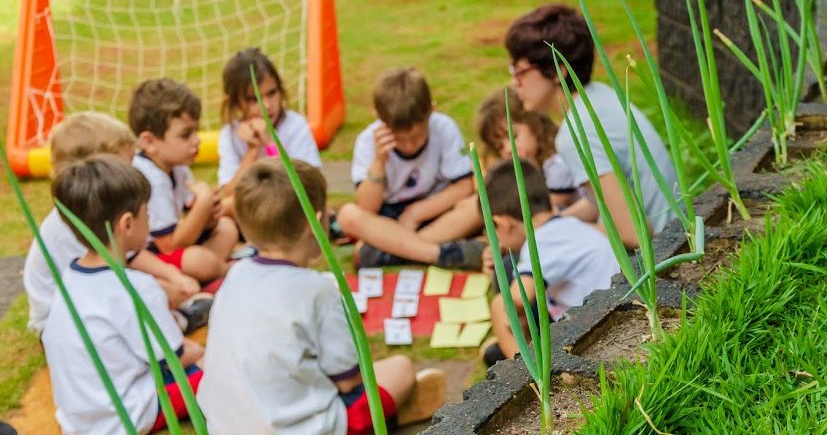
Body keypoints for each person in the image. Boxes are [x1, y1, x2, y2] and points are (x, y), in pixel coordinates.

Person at [198, 158, 447, 435]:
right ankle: (389, 413)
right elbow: (348, 381)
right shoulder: (318, 289)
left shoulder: (234, 276)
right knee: (399, 369)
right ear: (315, 223)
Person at [43, 156, 204, 435]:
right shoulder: (136, 287)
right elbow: (175, 360)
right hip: (124, 417)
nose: (150, 220)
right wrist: (200, 350)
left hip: (77, 418)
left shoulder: (69, 277)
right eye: (147, 213)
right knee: (213, 369)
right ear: (127, 223)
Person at [22, 112, 210, 336]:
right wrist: (163, 292)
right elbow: (104, 287)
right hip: (62, 325)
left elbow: (130, 255)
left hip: (95, 300)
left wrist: (172, 275)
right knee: (152, 297)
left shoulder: (98, 208)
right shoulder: (68, 227)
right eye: (126, 167)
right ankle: (179, 323)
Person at [504, 3, 679, 243]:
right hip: (677, 232)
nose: (515, 83)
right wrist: (557, 223)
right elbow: (608, 199)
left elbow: (636, 233)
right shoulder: (599, 96)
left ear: (558, 72)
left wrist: (558, 235)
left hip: (661, 253)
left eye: (520, 71)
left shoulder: (576, 132)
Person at [336, 67, 484, 270]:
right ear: (379, 118)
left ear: (431, 111)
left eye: (416, 137)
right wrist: (379, 162)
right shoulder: (367, 141)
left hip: (435, 210)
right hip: (388, 220)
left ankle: (392, 251)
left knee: (480, 204)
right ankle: (440, 254)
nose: (408, 146)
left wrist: (416, 213)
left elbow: (465, 186)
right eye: (399, 138)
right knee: (348, 215)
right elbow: (367, 207)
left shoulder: (444, 128)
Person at [481, 159, 620, 367]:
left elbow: (517, 300)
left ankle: (527, 373)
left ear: (503, 223)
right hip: (602, 309)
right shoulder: (567, 225)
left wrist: (502, 310)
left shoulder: (542, 240)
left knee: (500, 303)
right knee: (511, 273)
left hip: (597, 332)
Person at [130, 78, 239, 283]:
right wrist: (204, 203)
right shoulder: (147, 179)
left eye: (195, 131)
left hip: (179, 251)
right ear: (149, 142)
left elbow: (193, 221)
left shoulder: (178, 166)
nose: (197, 140)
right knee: (198, 261)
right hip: (148, 259)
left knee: (226, 227)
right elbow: (169, 245)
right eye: (186, 135)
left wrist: (209, 212)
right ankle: (224, 271)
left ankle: (211, 269)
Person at [216, 47, 322, 199]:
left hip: (290, 206)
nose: (266, 105)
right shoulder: (230, 135)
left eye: (272, 93)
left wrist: (270, 143)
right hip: (252, 210)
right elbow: (231, 193)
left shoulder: (295, 126)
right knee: (226, 210)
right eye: (254, 99)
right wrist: (252, 151)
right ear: (237, 102)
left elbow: (306, 188)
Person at [476, 86, 580, 212]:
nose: (508, 149)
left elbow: (542, 214)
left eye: (513, 136)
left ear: (535, 124)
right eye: (499, 147)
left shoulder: (557, 165)